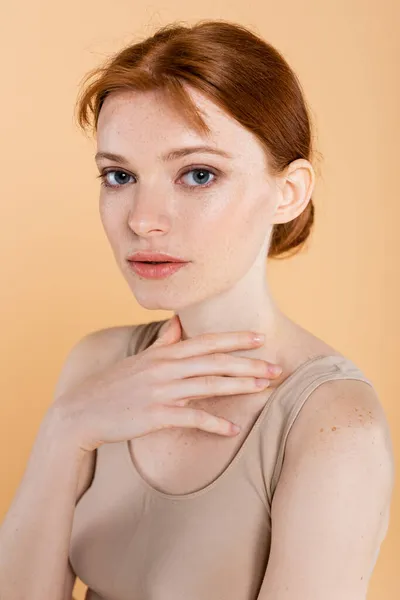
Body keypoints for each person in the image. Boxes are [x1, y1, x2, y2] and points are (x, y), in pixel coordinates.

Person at [0, 19, 394, 600]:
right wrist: (67, 430)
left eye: (198, 174)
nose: (141, 217)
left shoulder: (333, 423)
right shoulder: (99, 364)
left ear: (289, 193)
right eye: (119, 175)